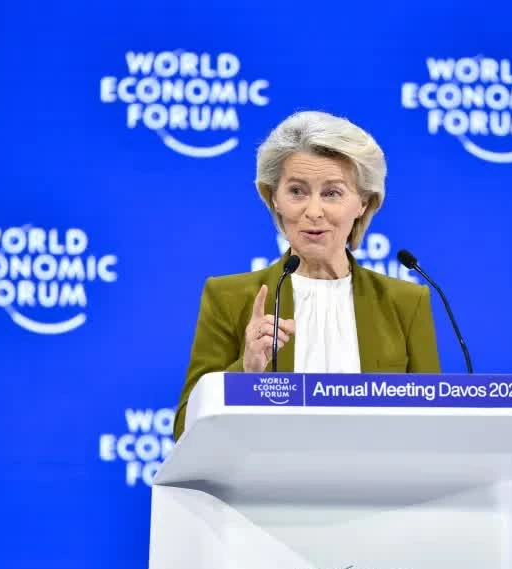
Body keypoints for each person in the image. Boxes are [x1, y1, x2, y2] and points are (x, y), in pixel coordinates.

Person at [173, 110, 441, 440]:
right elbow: (184, 429)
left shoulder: (406, 303)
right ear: (274, 198)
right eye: (297, 191)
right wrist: (246, 371)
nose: (313, 211)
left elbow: (435, 426)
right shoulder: (228, 297)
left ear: (363, 202)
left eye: (332, 193)